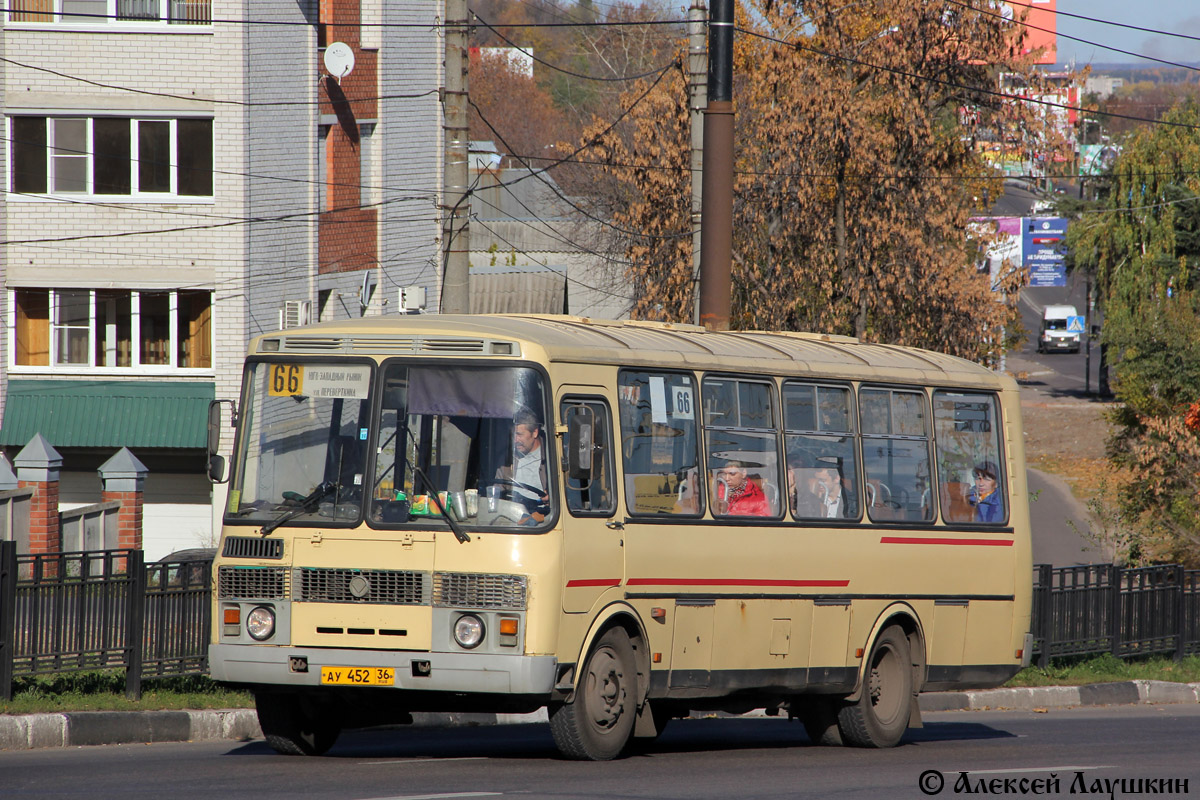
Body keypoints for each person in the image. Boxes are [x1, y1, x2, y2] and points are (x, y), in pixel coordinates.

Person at [495, 410, 550, 524]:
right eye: (513, 435)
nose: (515, 440)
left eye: (519, 435)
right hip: (510, 517)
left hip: (543, 519)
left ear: (534, 432)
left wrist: (551, 497)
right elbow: (497, 492)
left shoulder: (551, 458)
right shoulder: (506, 459)